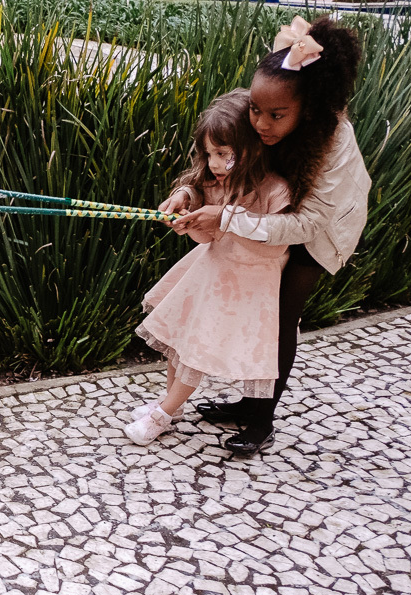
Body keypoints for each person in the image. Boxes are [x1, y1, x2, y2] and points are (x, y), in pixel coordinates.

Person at [161, 15, 370, 455]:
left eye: (276, 115)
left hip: (321, 231)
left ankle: (262, 418)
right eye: (255, 109)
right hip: (262, 215)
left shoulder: (333, 141)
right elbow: (215, 166)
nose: (259, 122)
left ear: (308, 109)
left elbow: (307, 223)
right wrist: (188, 194)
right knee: (253, 307)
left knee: (279, 317)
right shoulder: (261, 109)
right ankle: (246, 401)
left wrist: (227, 220)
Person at [125, 90, 292, 447]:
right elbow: (204, 223)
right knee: (180, 340)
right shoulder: (219, 182)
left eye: (223, 154)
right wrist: (185, 200)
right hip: (209, 273)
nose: (214, 164)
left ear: (253, 147)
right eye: (209, 154)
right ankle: (173, 406)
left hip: (246, 285)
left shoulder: (276, 191)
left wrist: (226, 222)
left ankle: (164, 412)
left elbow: (274, 245)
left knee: (196, 349)